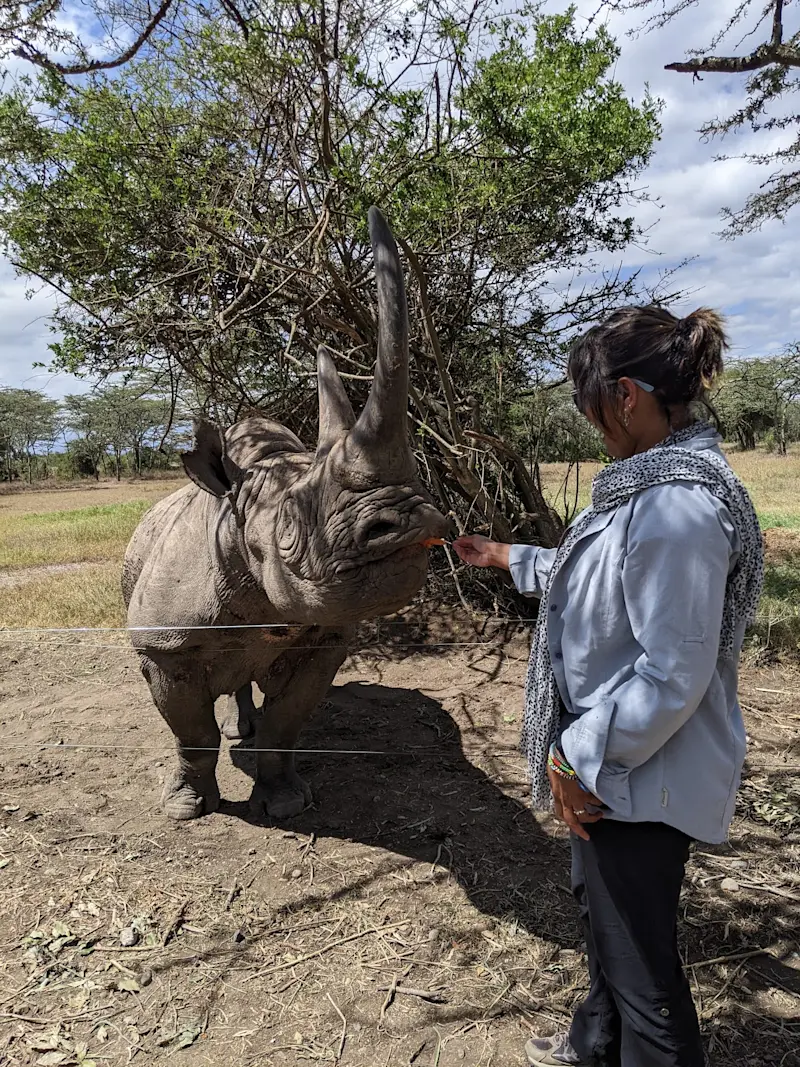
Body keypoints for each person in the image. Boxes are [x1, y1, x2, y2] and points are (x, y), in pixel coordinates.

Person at [453, 306, 764, 1067]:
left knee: (646, 981)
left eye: (592, 402)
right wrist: (502, 556)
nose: (591, 421)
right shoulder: (644, 485)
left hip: (638, 777)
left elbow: (671, 673)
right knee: (607, 916)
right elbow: (592, 580)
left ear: (626, 394)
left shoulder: (677, 509)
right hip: (621, 769)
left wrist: (572, 755)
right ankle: (593, 1044)